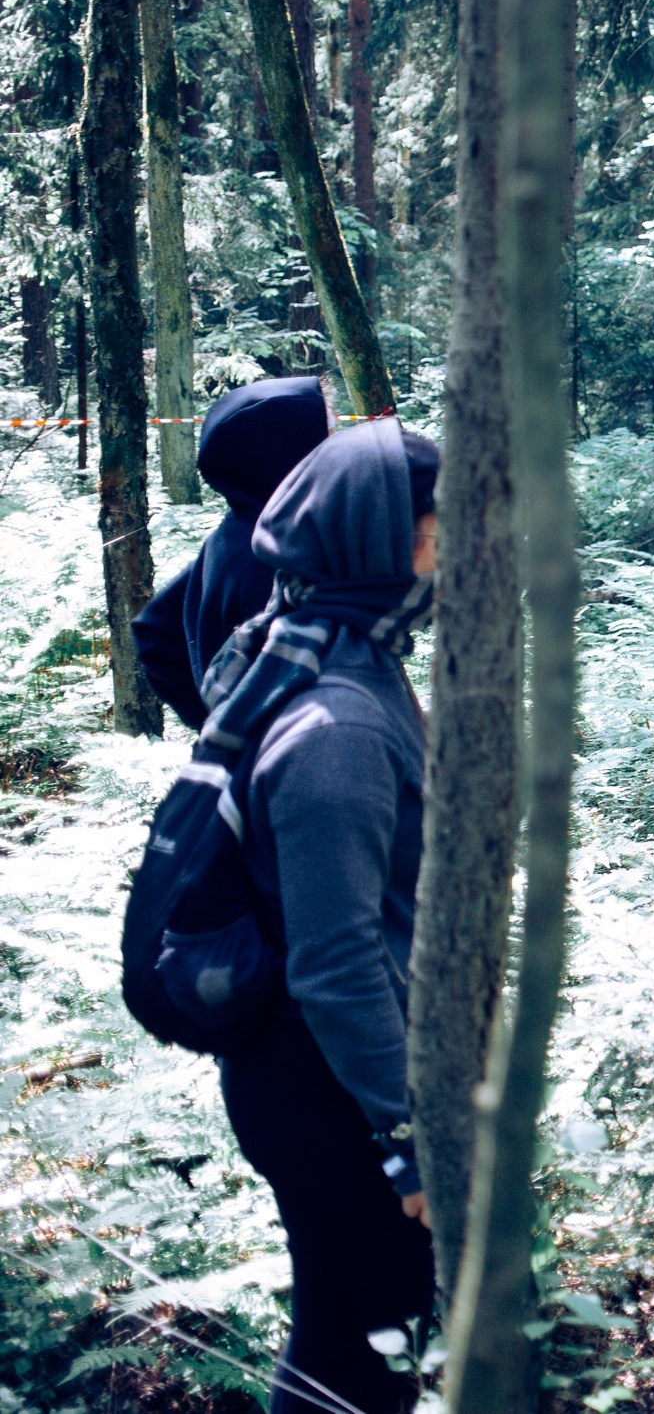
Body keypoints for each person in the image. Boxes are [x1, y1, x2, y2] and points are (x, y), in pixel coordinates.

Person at [217, 418, 439, 1414]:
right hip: (329, 1089)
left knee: (353, 1341)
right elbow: (338, 957)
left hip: (326, 1075)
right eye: (447, 525)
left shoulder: (333, 648)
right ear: (382, 540)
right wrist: (407, 1138)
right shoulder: (336, 725)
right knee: (357, 1359)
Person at [133, 377, 332, 729]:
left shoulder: (235, 534)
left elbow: (154, 630)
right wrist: (228, 725)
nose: (339, 446)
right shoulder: (273, 554)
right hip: (283, 762)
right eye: (327, 434)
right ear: (289, 451)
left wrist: (211, 719)